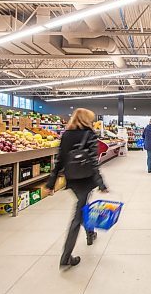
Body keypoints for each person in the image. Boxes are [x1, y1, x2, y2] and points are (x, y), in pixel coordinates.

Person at [45, 108, 108, 269]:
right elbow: (93, 161)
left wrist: (51, 183)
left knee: (83, 206)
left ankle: (90, 234)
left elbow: (59, 161)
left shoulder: (66, 135)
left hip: (72, 179)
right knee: (77, 216)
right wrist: (100, 183)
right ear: (86, 119)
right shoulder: (89, 134)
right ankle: (66, 256)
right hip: (86, 179)